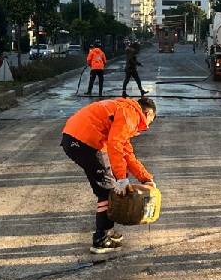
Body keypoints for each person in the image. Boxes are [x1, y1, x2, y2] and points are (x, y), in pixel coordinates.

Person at [61, 96, 158, 254]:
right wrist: (121, 178)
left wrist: (146, 178)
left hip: (78, 139)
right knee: (106, 191)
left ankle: (108, 231)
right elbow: (114, 144)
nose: (147, 125)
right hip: (83, 142)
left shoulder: (124, 110)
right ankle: (100, 239)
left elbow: (126, 153)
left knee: (109, 187)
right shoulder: (130, 114)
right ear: (148, 114)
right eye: (151, 120)